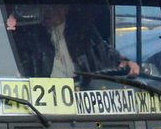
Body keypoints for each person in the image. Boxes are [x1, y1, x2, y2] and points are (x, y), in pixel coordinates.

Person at [8, 5, 140, 79]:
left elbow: (106, 56)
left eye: (52, 5)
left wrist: (127, 63)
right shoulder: (28, 36)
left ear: (66, 8)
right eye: (43, 6)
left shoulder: (83, 33)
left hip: (80, 98)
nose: (47, 10)